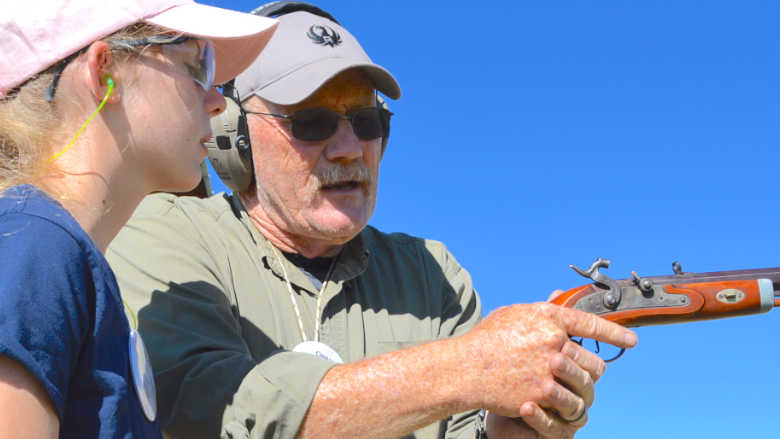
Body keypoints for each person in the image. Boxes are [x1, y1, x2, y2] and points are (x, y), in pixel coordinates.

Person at [107, 4, 637, 439]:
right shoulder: (163, 232)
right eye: (310, 122)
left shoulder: (432, 273)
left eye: (366, 121)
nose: (348, 149)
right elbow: (212, 408)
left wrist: (516, 426)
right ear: (233, 139)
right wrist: (465, 368)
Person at [0, 1, 277, 437]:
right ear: (104, 71)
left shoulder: (57, 256)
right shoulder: (35, 245)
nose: (218, 100)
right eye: (195, 65)